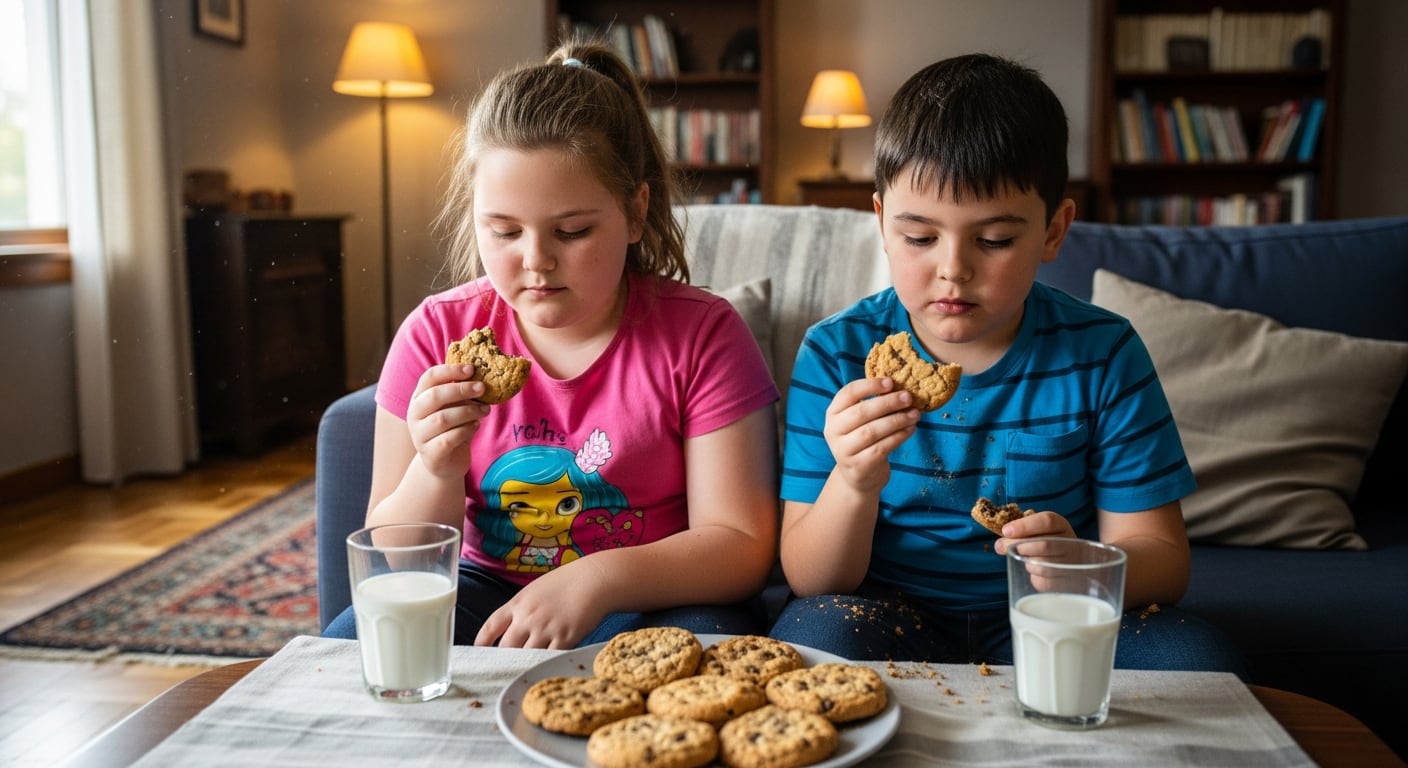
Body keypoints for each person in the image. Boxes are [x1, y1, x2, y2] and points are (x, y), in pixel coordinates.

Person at [768, 53, 1246, 676]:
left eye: (994, 240)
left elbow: (1163, 557)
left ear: (1054, 229)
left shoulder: (1102, 352)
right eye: (919, 238)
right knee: (814, 641)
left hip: (1057, 611)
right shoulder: (837, 353)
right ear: (882, 222)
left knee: (1194, 658)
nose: (953, 268)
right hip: (886, 612)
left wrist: (1084, 562)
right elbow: (811, 577)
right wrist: (854, 480)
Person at [323, 40, 780, 649]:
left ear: (636, 211)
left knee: (707, 651)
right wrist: (436, 464)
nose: (536, 261)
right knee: (360, 637)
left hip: (650, 597)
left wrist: (596, 580)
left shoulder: (703, 336)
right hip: (481, 591)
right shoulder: (436, 334)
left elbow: (740, 546)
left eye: (572, 230)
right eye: (505, 230)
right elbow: (397, 555)